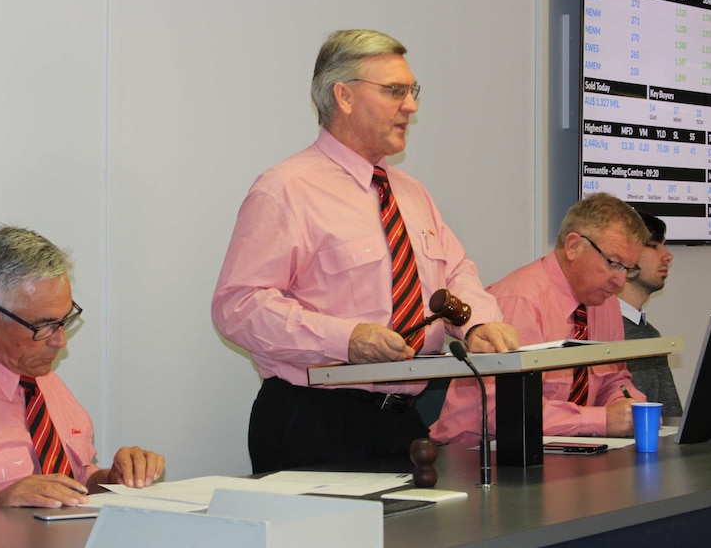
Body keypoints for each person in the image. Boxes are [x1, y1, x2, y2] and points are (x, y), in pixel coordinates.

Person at [211, 29, 519, 473]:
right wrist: (346, 339)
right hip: (315, 423)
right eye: (394, 91)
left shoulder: (412, 195)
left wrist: (477, 324)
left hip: (404, 422)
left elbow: (457, 273)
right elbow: (237, 307)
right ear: (344, 96)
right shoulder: (285, 191)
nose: (410, 106)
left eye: (411, 91)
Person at [0, 226, 164, 518]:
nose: (60, 341)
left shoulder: (40, 378)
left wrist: (112, 481)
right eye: (43, 326)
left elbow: (74, 480)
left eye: (65, 320)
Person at [431, 193, 650, 444]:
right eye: (614, 263)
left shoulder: (605, 303)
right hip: (480, 454)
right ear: (573, 246)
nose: (620, 281)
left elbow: (614, 379)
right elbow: (504, 412)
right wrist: (602, 420)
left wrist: (626, 406)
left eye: (629, 269)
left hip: (558, 449)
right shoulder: (520, 301)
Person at [618, 211, 682, 421]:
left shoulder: (649, 333)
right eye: (654, 246)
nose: (667, 256)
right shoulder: (604, 333)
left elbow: (671, 419)